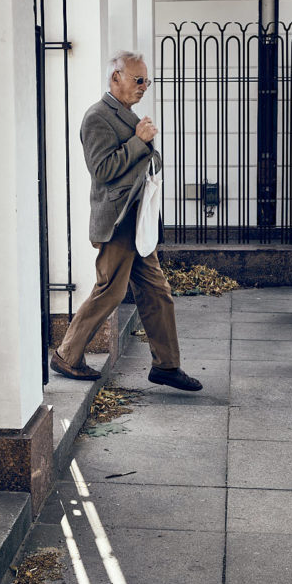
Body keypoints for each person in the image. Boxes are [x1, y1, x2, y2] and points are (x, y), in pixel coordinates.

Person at [50, 50, 202, 392]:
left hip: (137, 223)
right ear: (115, 78)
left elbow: (141, 163)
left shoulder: (126, 115)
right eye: (138, 79)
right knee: (110, 291)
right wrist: (139, 141)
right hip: (118, 222)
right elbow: (102, 170)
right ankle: (65, 355)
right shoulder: (97, 118)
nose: (144, 86)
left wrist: (146, 147)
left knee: (158, 292)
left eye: (146, 80)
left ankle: (167, 366)